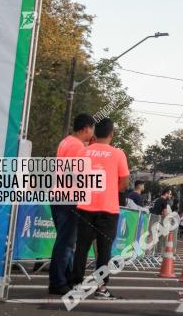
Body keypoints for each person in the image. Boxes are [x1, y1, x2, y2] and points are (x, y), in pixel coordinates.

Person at [70, 118, 130, 300]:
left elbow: (73, 176)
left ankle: (76, 287)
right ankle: (101, 288)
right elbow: (125, 181)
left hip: (85, 206)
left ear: (95, 133)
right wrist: (112, 190)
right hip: (108, 208)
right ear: (112, 134)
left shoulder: (83, 151)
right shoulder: (118, 154)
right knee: (104, 250)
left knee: (81, 247)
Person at [48, 113, 94, 295]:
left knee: (64, 241)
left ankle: (64, 279)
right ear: (86, 128)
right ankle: (58, 282)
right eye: (92, 129)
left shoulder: (65, 141)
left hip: (58, 195)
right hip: (70, 198)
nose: (92, 133)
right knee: (66, 243)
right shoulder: (77, 146)